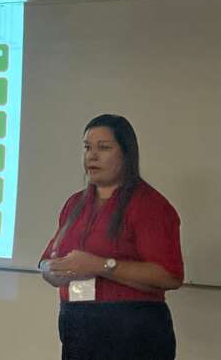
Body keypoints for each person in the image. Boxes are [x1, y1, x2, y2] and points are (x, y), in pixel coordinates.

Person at [39, 114, 184, 360]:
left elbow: (169, 275)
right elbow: (46, 260)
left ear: (127, 154)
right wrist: (51, 270)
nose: (92, 156)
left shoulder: (150, 205)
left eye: (103, 148)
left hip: (132, 331)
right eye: (87, 147)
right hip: (77, 325)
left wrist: (100, 265)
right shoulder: (75, 203)